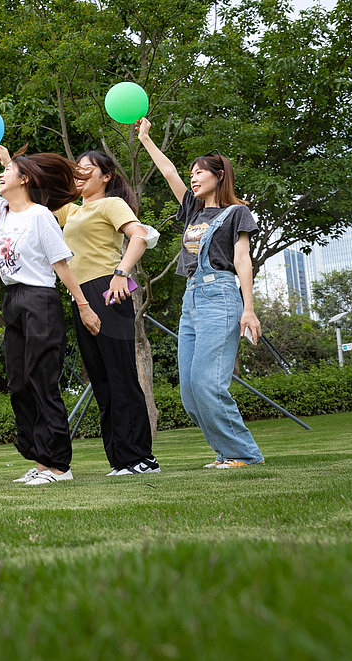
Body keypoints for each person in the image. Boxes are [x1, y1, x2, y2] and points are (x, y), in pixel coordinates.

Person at [0, 122, 100, 486]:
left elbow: (61, 265)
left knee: (42, 381)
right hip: (13, 300)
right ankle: (41, 460)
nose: (0, 175)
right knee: (19, 383)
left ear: (24, 179)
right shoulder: (2, 212)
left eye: (7, 171)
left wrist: (84, 305)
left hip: (39, 300)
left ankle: (59, 465)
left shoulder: (40, 216)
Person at [0, 144, 160, 475]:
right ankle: (120, 459)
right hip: (79, 297)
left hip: (109, 291)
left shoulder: (112, 204)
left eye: (87, 169)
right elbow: (23, 202)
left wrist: (121, 275)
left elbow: (139, 236)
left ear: (106, 176)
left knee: (121, 375)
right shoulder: (71, 211)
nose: (79, 174)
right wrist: (11, 163)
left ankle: (141, 457)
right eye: (77, 169)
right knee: (101, 380)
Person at [136, 118, 265, 468]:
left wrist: (248, 309)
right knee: (190, 393)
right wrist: (146, 139)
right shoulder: (193, 210)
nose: (192, 178)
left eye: (199, 173)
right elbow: (167, 173)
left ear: (219, 175)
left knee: (208, 385)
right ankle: (227, 454)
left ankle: (244, 454)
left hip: (221, 297)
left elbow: (242, 260)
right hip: (191, 301)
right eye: (191, 173)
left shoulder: (237, 212)